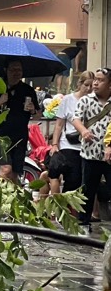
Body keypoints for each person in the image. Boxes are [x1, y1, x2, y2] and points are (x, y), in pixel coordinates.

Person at [0, 58, 40, 183]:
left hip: (20, 136)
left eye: (19, 69)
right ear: (5, 70)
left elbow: (38, 116)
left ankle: (12, 199)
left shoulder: (27, 90)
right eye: (13, 69)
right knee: (5, 169)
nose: (16, 72)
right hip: (0, 136)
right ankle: (1, 199)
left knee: (15, 174)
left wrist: (33, 110)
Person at [46, 71, 92, 201]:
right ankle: (63, 206)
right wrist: (55, 144)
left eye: (91, 86)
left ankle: (68, 207)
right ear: (80, 84)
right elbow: (59, 125)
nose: (88, 89)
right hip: (69, 143)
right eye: (86, 85)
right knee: (72, 175)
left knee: (79, 179)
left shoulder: (93, 101)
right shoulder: (68, 100)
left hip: (86, 145)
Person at [75, 69, 111, 225]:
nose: (95, 83)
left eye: (101, 80)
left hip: (109, 155)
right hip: (90, 153)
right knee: (87, 190)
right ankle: (83, 223)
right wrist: (83, 131)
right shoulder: (86, 100)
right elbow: (76, 118)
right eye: (95, 79)